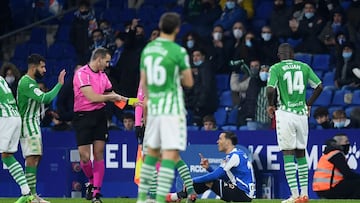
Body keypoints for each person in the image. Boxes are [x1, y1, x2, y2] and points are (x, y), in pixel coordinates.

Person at [136, 12, 195, 203]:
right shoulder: (178, 51)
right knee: (172, 156)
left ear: (161, 26)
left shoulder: (148, 51)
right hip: (172, 110)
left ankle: (145, 198)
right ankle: (162, 198)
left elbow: (144, 86)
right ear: (177, 29)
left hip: (153, 110)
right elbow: (188, 81)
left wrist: (145, 115)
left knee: (150, 156)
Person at [266, 43, 323, 203]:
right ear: (293, 54)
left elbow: (270, 89)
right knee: (301, 153)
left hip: (285, 113)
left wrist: (271, 105)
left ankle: (295, 195)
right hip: (301, 114)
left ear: (279, 55)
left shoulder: (276, 68)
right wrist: (309, 103)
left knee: (288, 153)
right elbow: (319, 86)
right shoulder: (304, 67)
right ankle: (305, 195)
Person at [72, 47, 130, 203]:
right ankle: (91, 181)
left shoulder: (104, 76)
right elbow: (92, 97)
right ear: (98, 59)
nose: (108, 64)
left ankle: (96, 192)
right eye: (107, 61)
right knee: (84, 157)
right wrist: (112, 96)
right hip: (83, 116)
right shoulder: (82, 74)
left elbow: (112, 96)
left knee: (99, 153)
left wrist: (131, 103)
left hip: (99, 116)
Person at [17, 53, 66, 203]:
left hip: (33, 125)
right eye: (42, 66)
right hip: (27, 125)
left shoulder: (31, 82)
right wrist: (59, 84)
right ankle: (30, 196)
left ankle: (33, 195)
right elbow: (46, 98)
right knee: (32, 159)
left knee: (36, 158)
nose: (44, 70)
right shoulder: (26, 83)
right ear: (33, 67)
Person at [167, 131, 256, 202]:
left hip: (243, 194)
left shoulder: (234, 156)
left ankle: (176, 197)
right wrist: (209, 168)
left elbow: (215, 176)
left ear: (228, 142)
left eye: (220, 139)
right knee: (208, 182)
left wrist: (191, 181)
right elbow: (224, 177)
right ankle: (180, 196)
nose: (217, 141)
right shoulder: (237, 154)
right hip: (243, 193)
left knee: (209, 181)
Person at [0, 75, 35, 203]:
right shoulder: (1, 79)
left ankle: (26, 193)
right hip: (14, 117)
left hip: (5, 118)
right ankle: (26, 192)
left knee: (6, 155)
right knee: (7, 156)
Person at [313, 133, 360, 199]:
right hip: (329, 188)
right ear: (339, 143)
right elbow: (347, 174)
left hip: (321, 189)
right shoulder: (336, 154)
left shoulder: (327, 155)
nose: (348, 144)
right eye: (346, 142)